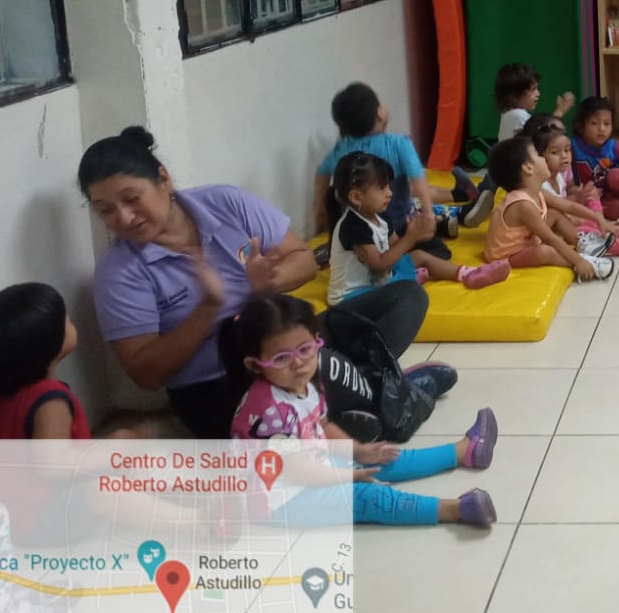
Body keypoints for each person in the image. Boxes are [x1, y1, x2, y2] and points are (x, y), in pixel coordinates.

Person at [80, 126, 452, 437]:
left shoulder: (224, 202)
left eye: (132, 199)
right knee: (314, 362)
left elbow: (304, 260)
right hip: (220, 386)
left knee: (406, 298)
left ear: (163, 179)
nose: (124, 218)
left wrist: (268, 282)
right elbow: (146, 374)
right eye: (105, 211)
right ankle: (383, 395)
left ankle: (358, 393)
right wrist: (208, 308)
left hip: (285, 340)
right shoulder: (119, 272)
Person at [221, 295, 496, 528]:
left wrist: (358, 452)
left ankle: (464, 451)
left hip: (311, 465)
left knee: (384, 456)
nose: (298, 363)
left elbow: (323, 425)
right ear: (255, 364)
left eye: (305, 349)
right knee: (366, 497)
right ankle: (456, 510)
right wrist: (349, 476)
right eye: (282, 358)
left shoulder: (304, 383)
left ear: (317, 341)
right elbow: (300, 473)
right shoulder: (268, 413)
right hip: (281, 502)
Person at [327, 152, 509, 305]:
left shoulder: (379, 216)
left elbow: (393, 246)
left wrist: (415, 232)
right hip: (352, 298)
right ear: (356, 197)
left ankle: (469, 273)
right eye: (382, 189)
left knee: (419, 255)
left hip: (377, 282)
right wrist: (411, 238)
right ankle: (409, 279)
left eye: (388, 186)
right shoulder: (353, 226)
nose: (390, 193)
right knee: (408, 296)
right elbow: (378, 265)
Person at [313, 82, 476, 241]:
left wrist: (319, 206)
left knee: (395, 193)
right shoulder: (398, 144)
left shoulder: (342, 148)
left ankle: (458, 196)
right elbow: (418, 180)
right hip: (398, 226)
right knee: (414, 201)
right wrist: (428, 214)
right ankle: (455, 214)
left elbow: (321, 173)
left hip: (361, 233)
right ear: (378, 113)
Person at [460, 63, 577, 227]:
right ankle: (464, 209)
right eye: (533, 90)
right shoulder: (517, 115)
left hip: (502, 163)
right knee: (502, 193)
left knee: (485, 192)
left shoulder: (510, 113)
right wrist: (560, 111)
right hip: (510, 165)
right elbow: (545, 132)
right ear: (514, 96)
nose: (538, 94)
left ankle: (469, 204)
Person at [483, 134, 612, 281]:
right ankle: (586, 265)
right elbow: (550, 238)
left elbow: (568, 206)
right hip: (508, 256)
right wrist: (578, 261)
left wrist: (597, 218)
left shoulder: (538, 192)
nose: (543, 158)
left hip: (527, 239)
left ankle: (583, 244)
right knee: (544, 252)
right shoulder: (523, 205)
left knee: (554, 213)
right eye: (537, 155)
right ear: (528, 168)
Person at [532, 121, 619, 258]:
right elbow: (565, 207)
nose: (564, 156)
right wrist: (579, 200)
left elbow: (570, 191)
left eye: (567, 150)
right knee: (589, 233)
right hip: (560, 229)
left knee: (592, 197)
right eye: (555, 152)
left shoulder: (561, 173)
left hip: (570, 216)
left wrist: (583, 195)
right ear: (539, 157)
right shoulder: (540, 186)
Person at [0, 284, 90, 439]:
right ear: (51, 342)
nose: (70, 321)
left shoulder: (0, 392)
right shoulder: (50, 400)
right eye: (66, 320)